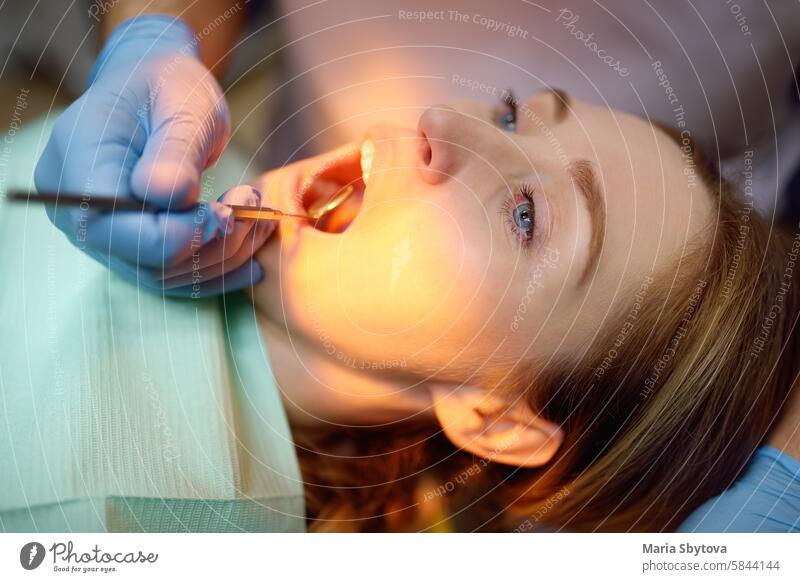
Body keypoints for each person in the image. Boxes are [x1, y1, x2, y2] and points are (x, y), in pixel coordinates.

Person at [29, 1, 800, 531]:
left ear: (496, 415)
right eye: (510, 113)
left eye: (526, 217)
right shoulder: (198, 158)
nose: (440, 119)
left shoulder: (110, 513)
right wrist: (156, 33)